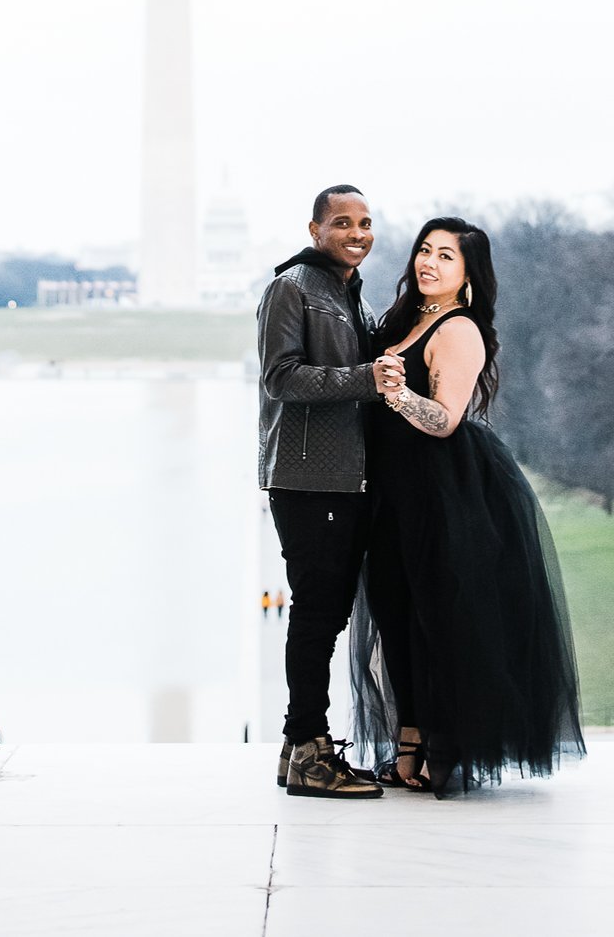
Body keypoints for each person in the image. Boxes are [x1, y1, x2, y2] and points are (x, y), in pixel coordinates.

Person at [350, 218, 584, 795]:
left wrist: (398, 394)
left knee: (439, 621)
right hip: (392, 493)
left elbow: (445, 419)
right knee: (394, 615)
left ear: (468, 274)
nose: (428, 262)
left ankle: (441, 746)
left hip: (442, 493)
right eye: (424, 251)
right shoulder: (406, 321)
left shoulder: (460, 330)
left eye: (445, 256)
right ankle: (407, 739)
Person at [258, 184, 406, 799]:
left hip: (339, 476)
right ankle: (312, 750)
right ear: (315, 228)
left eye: (366, 222)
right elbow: (282, 377)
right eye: (343, 222)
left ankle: (300, 751)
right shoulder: (292, 287)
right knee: (318, 614)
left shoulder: (345, 291)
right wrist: (365, 378)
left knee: (325, 612)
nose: (357, 233)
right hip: (305, 477)